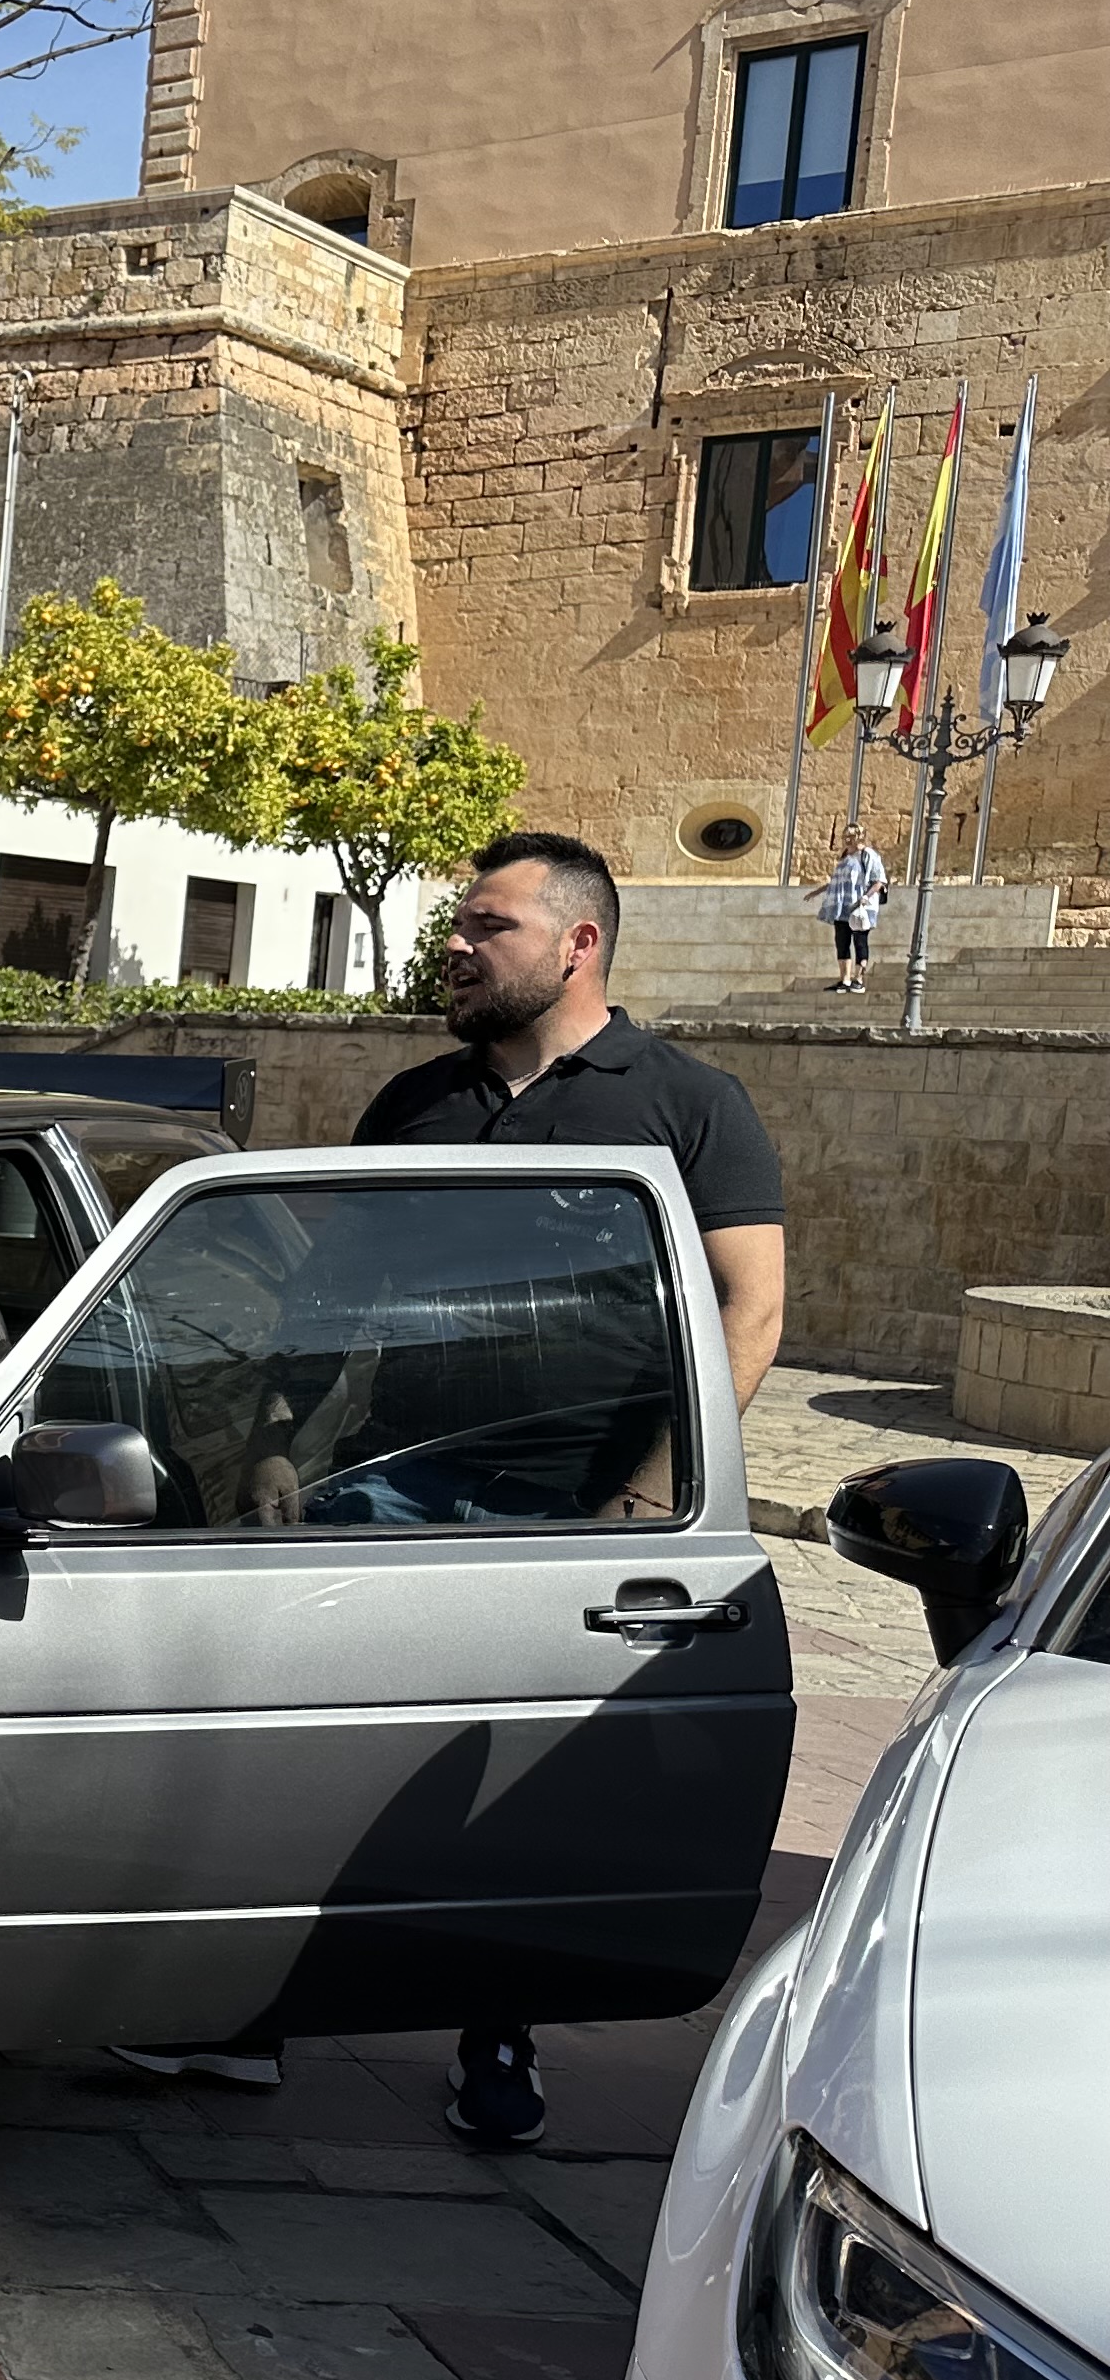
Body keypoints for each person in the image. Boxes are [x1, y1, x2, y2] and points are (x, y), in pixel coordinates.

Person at [119, 832, 786, 2140]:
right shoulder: (417, 1104)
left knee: (525, 1787)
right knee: (309, 1741)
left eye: (489, 926)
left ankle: (499, 2036)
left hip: (578, 1512)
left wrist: (650, 1507)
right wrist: (275, 1438)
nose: (456, 945)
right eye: (460, 925)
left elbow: (746, 1307)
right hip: (400, 1488)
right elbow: (331, 1299)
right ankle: (248, 2015)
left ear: (576, 945)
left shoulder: (687, 1106)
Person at [815, 828, 887, 994]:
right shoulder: (845, 857)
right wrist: (817, 892)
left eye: (852, 836)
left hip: (861, 907)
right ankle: (845, 979)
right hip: (842, 907)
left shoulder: (868, 855)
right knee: (842, 942)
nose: (848, 839)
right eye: (845, 836)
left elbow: (879, 881)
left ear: (860, 837)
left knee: (860, 941)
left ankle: (859, 979)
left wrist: (866, 897)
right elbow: (837, 882)